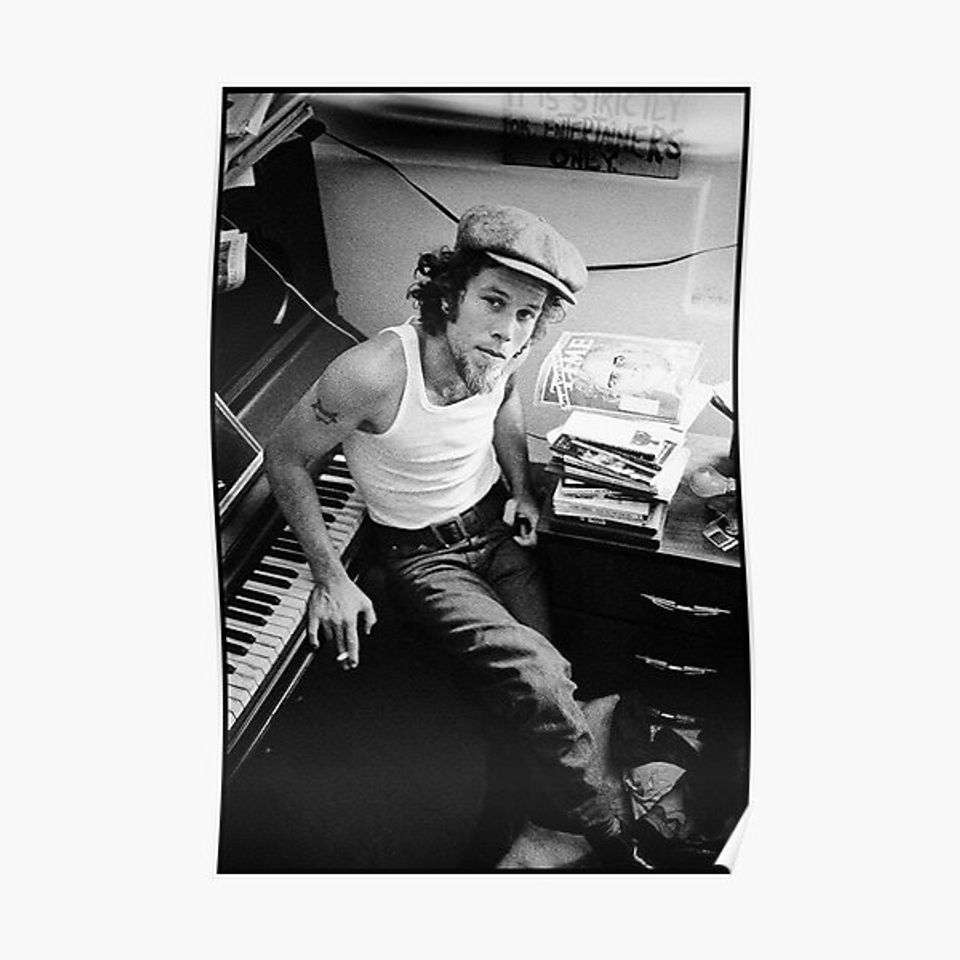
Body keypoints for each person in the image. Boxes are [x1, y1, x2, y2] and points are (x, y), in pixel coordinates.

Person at [264, 204, 645, 869]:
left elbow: (505, 406)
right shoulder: (372, 372)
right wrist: (331, 577)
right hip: (424, 554)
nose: (507, 331)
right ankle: (606, 834)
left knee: (548, 678)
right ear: (450, 294)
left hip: (494, 525)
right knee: (538, 676)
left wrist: (521, 488)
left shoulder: (504, 351)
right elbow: (284, 457)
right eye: (494, 302)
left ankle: (533, 811)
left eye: (525, 314)